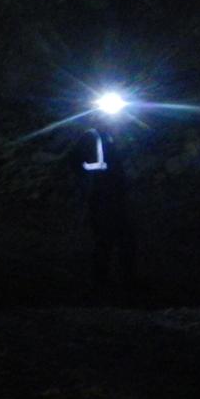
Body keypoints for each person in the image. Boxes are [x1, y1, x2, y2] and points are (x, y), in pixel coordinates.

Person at [69, 118, 138, 289]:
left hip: (116, 197)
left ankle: (124, 280)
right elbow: (75, 162)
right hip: (100, 197)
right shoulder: (91, 136)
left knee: (124, 240)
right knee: (104, 240)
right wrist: (96, 170)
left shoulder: (111, 138)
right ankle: (100, 281)